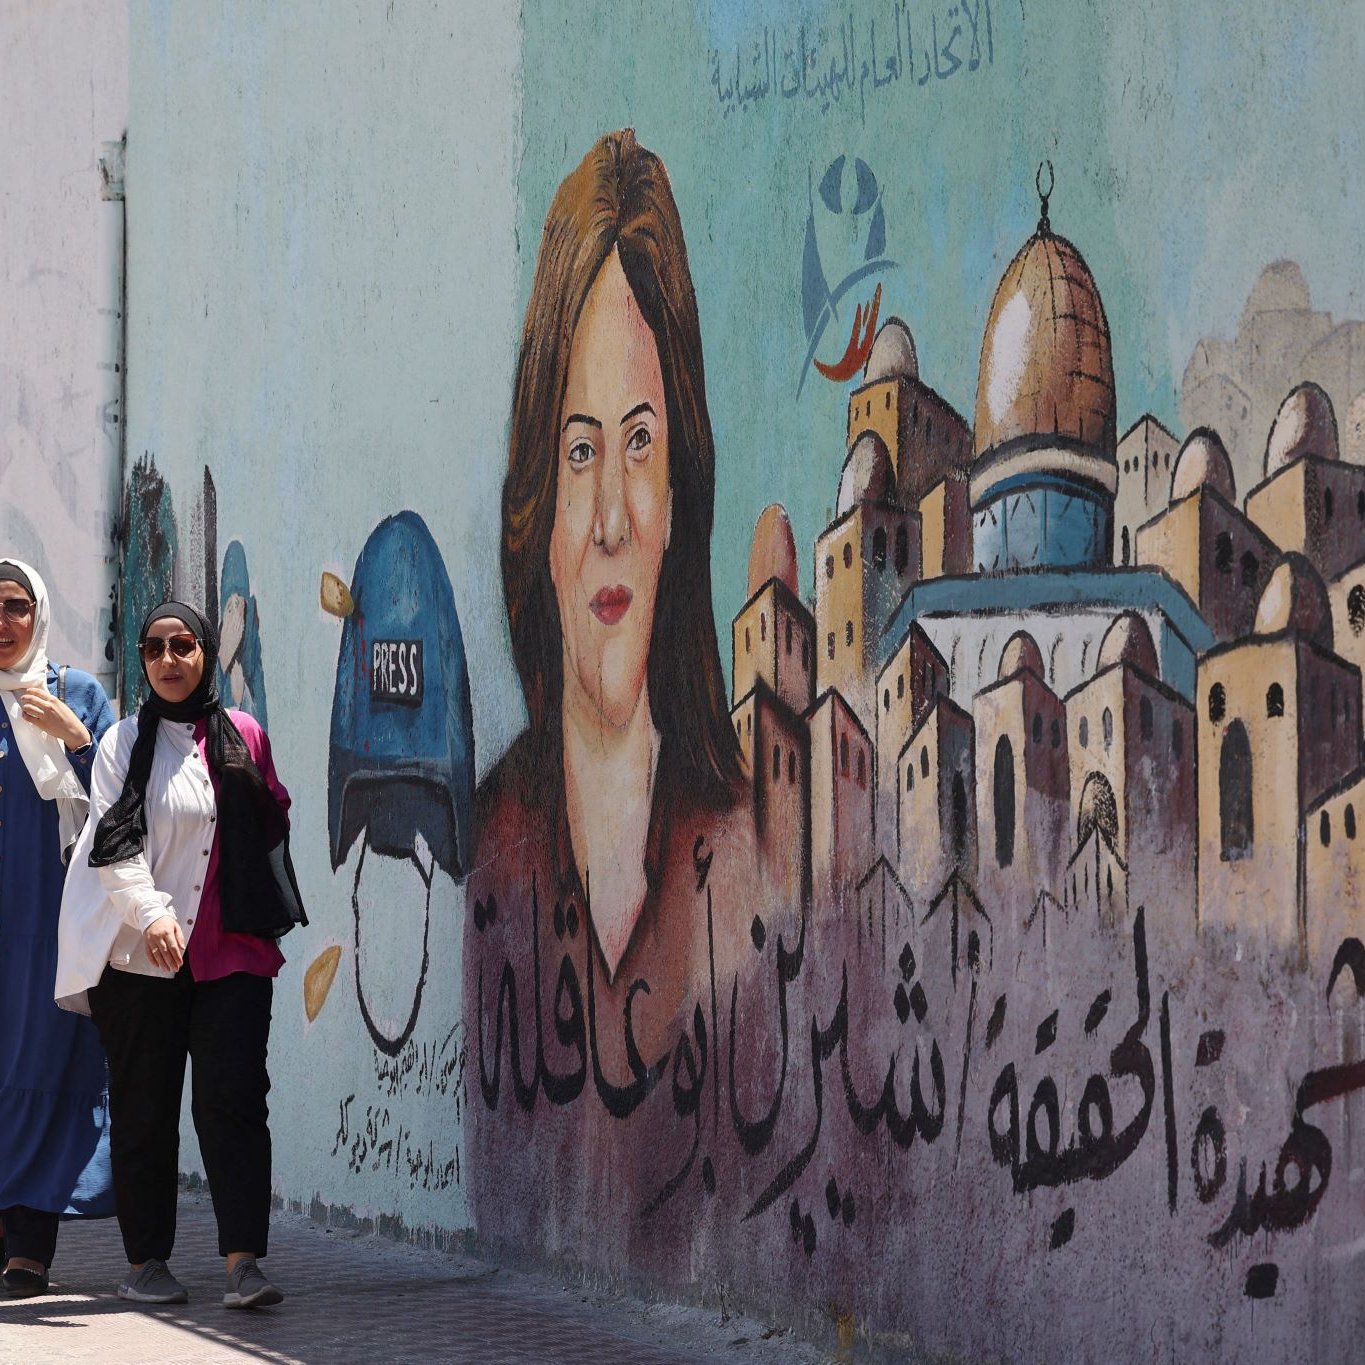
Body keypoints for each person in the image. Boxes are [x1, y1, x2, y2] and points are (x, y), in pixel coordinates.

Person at [465, 131, 768, 1267]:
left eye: (639, 445)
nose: (609, 521)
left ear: (684, 475)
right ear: (535, 504)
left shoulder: (745, 841)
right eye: (579, 451)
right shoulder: (493, 845)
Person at [57, 601, 293, 1309]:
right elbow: (111, 844)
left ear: (205, 653)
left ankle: (243, 1262)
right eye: (155, 647)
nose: (169, 659)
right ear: (141, 657)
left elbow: (272, 814)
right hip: (140, 959)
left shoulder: (245, 733)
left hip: (233, 955)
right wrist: (154, 915)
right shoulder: (122, 743)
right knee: (144, 1110)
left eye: (183, 645)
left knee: (235, 1104)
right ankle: (147, 1261)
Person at [0, 559, 115, 1296]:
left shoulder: (76, 691)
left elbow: (123, 794)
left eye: (14, 604)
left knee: (41, 1068)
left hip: (48, 925)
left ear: (37, 611)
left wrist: (75, 734)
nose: (2, 620)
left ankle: (28, 1246)